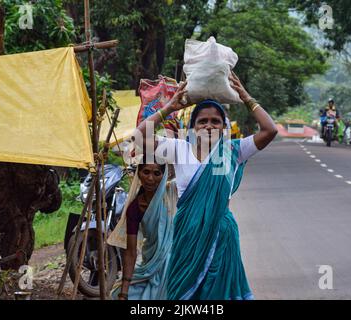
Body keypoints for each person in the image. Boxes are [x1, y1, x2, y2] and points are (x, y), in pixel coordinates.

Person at [133, 71, 277, 300]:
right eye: (203, 121)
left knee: (218, 293)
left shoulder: (233, 150)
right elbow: (140, 136)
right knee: (183, 292)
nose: (209, 125)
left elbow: (270, 130)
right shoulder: (179, 148)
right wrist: (170, 107)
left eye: (215, 121)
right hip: (187, 233)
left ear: (224, 126)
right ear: (193, 126)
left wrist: (246, 97)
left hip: (221, 234)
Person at [109, 161, 177, 300]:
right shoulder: (134, 208)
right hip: (150, 263)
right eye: (146, 172)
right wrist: (124, 292)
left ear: (164, 176)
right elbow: (131, 252)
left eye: (156, 173)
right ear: (138, 174)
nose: (150, 178)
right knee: (116, 294)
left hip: (176, 260)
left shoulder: (173, 193)